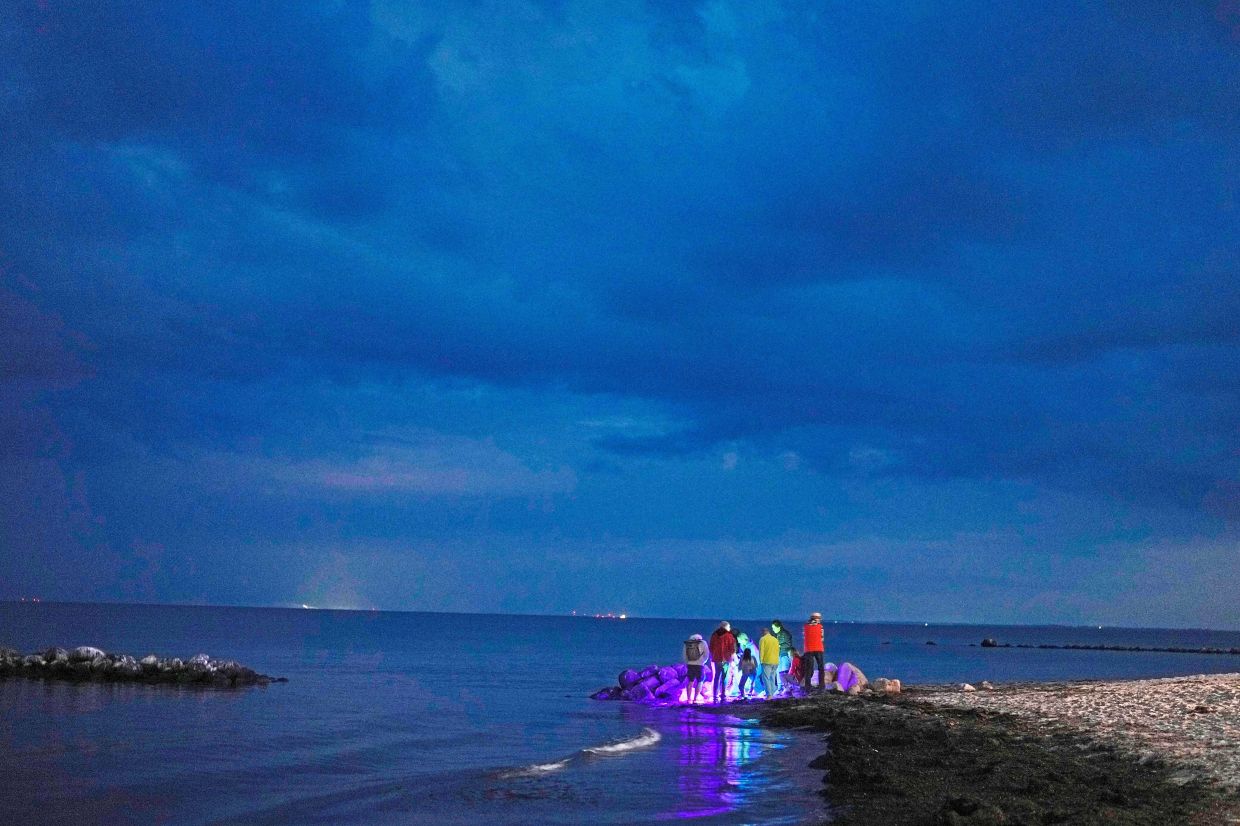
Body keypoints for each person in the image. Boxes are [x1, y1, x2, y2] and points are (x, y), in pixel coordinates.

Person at [708, 621, 737, 702]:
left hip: (716, 658)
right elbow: (732, 648)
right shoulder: (729, 636)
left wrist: (713, 654)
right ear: (726, 627)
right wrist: (732, 658)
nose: (730, 628)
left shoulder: (714, 635)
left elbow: (711, 647)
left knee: (716, 677)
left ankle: (714, 695)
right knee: (724, 678)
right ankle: (723, 695)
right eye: (729, 626)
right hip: (726, 659)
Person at [683, 633, 710, 704]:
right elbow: (707, 654)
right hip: (700, 665)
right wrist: (703, 661)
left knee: (690, 681)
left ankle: (689, 699)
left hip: (690, 664)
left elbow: (684, 654)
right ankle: (695, 699)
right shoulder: (703, 643)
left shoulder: (688, 643)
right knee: (700, 681)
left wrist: (688, 662)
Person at [802, 612, 826, 691]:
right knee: (821, 668)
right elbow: (822, 639)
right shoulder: (820, 627)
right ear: (818, 619)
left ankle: (807, 686)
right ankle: (822, 686)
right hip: (818, 648)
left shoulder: (805, 626)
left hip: (808, 649)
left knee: (808, 669)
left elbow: (804, 636)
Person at [771, 620, 794, 693]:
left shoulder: (785, 634)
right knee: (779, 671)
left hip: (784, 655)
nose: (773, 629)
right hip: (780, 655)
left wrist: (779, 645)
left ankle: (787, 688)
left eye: (774, 628)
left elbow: (788, 645)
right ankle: (780, 688)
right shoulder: (779, 634)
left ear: (779, 627)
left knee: (784, 671)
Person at [758, 627, 780, 698]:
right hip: (775, 661)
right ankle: (772, 693)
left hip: (766, 661)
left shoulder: (763, 639)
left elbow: (761, 651)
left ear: (764, 632)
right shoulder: (775, 639)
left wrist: (760, 661)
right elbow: (778, 650)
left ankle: (769, 695)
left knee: (766, 678)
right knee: (772, 677)